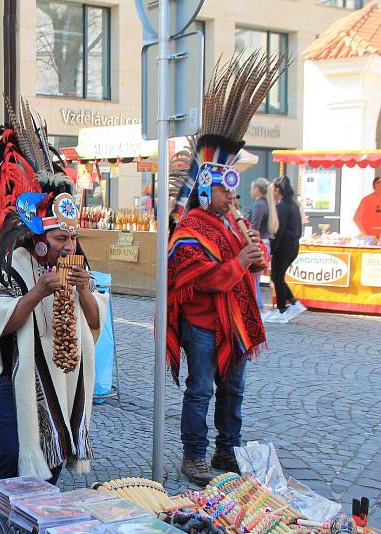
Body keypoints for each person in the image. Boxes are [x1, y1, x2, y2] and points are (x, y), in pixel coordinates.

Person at [0, 99, 107, 484]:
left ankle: (35, 516)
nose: (69, 247)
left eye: (73, 238)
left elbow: (94, 323)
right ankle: (0, 516)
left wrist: (85, 293)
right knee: (14, 454)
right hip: (14, 375)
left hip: (61, 375)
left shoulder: (77, 264)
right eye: (60, 238)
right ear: (39, 236)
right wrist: (38, 292)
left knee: (55, 451)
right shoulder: (13, 265)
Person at [167, 52, 279, 486]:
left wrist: (254, 257)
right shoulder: (191, 226)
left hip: (236, 322)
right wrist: (238, 263)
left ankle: (226, 450)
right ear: (207, 189)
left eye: (232, 187)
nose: (230, 195)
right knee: (201, 390)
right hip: (202, 323)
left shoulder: (237, 222)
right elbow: (198, 278)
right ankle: (192, 455)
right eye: (223, 188)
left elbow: (255, 267)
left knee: (234, 390)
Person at [266, 176, 305, 324]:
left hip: (284, 246)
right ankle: (293, 303)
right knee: (277, 277)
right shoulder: (293, 205)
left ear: (278, 190)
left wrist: (272, 249)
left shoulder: (281, 207)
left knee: (277, 277)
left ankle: (283, 309)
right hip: (293, 246)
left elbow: (279, 231)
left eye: (273, 190)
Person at [247, 178, 279, 312]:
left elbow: (254, 227)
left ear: (256, 189)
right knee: (256, 278)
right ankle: (258, 305)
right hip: (265, 242)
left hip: (258, 242)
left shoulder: (259, 204)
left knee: (254, 278)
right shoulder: (268, 204)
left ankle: (258, 306)